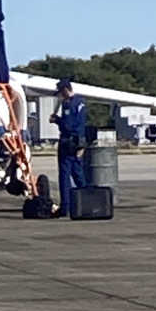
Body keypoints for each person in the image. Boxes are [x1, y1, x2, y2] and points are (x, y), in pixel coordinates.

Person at [49, 78, 87, 217]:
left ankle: (66, 207)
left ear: (65, 90)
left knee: (65, 175)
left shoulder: (68, 104)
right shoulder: (81, 102)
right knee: (78, 173)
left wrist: (57, 120)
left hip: (68, 142)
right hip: (79, 141)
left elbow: (68, 125)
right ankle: (86, 201)